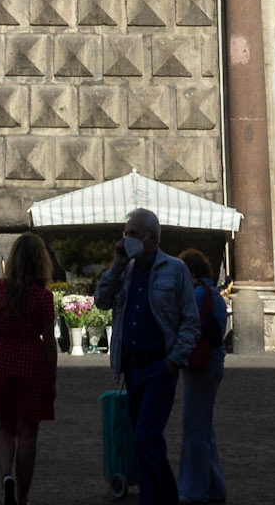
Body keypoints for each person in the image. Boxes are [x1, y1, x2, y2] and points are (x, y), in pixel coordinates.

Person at [94, 206, 202, 505]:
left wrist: (174, 360)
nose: (126, 239)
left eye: (134, 234)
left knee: (145, 436)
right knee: (146, 440)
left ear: (152, 238)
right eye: (125, 233)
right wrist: (116, 266)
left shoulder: (175, 269)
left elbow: (190, 320)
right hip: (132, 369)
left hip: (159, 366)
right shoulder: (125, 271)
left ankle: (156, 499)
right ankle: (163, 497)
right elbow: (101, 301)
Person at [0, 231, 57, 505]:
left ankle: (6, 477)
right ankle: (22, 497)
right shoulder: (43, 296)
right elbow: (49, 341)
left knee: (4, 429)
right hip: (32, 361)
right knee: (28, 434)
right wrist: (52, 377)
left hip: (3, 358)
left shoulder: (0, 288)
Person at [177, 249, 228, 505]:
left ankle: (194, 490)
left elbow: (185, 325)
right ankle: (214, 487)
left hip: (201, 363)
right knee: (203, 427)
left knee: (194, 427)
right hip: (213, 361)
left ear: (191, 272)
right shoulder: (214, 294)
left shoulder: (197, 294)